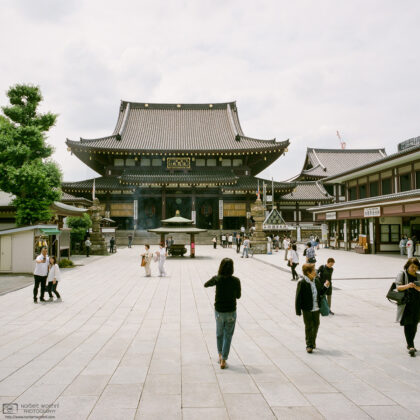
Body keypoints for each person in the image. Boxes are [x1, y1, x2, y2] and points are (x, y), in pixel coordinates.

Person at [204, 258, 241, 369]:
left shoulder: (217, 279)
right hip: (231, 311)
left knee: (219, 334)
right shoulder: (236, 280)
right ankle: (224, 359)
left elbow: (206, 284)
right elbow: (238, 296)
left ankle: (220, 354)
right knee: (228, 335)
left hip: (219, 311)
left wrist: (216, 278)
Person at [295, 263, 330, 353]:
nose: (315, 272)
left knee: (316, 325)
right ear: (308, 272)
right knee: (309, 326)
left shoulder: (316, 281)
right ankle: (309, 345)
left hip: (316, 308)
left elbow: (321, 293)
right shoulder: (302, 283)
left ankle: (313, 342)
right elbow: (298, 297)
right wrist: (298, 310)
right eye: (314, 270)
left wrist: (325, 287)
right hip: (307, 309)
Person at [395, 257, 420, 357]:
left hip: (417, 303)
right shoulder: (402, 274)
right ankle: (411, 345)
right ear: (408, 266)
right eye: (412, 267)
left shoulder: (418, 276)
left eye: (416, 267)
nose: (414, 269)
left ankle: (410, 343)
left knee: (414, 324)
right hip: (406, 304)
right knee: (407, 323)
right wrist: (408, 286)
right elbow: (398, 287)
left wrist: (418, 288)